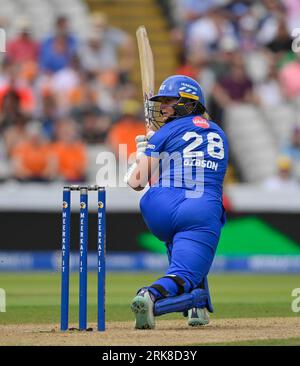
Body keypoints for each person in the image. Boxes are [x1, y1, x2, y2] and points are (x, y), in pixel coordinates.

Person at [124, 75, 228, 329]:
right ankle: (151, 296)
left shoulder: (165, 132)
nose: (163, 107)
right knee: (184, 274)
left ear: (189, 103)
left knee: (183, 252)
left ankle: (198, 306)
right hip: (199, 208)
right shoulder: (219, 132)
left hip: (157, 205)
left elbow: (136, 182)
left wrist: (140, 156)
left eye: (170, 101)